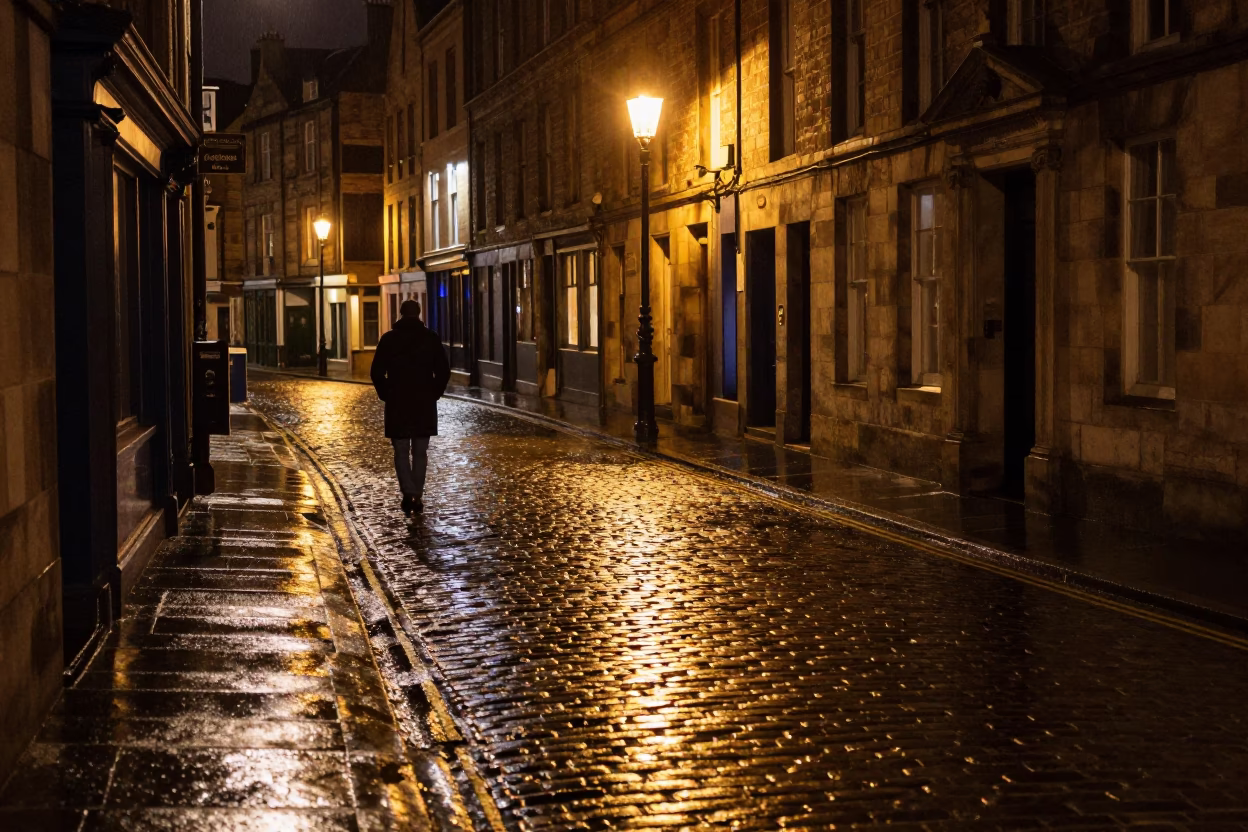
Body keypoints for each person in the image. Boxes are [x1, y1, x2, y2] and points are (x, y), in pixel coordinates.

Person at [370, 300, 451, 513]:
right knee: (421, 451)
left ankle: (408, 491)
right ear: (418, 314)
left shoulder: (389, 340)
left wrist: (387, 394)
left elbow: (376, 372)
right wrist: (434, 393)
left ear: (400, 314)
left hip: (398, 402)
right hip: (424, 402)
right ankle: (417, 493)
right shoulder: (430, 339)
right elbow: (443, 371)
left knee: (401, 450)